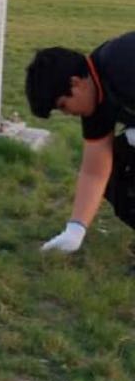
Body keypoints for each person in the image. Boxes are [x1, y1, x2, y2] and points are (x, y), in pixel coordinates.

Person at [25, 33, 135, 254]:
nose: (68, 114)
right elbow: (94, 171)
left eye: (63, 106)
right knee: (116, 169)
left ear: (75, 83)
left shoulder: (123, 63)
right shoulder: (95, 100)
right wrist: (75, 230)